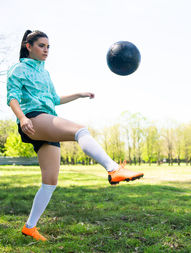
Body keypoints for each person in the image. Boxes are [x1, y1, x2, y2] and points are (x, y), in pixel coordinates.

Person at [6, 30, 144, 242]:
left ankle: (29, 227)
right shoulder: (19, 68)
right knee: (80, 130)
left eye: (48, 47)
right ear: (28, 46)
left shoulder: (44, 73)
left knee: (50, 182)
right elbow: (12, 97)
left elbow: (54, 99)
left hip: (46, 118)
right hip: (33, 118)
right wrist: (22, 118)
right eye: (42, 45)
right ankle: (113, 169)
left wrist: (79, 94)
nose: (46, 50)